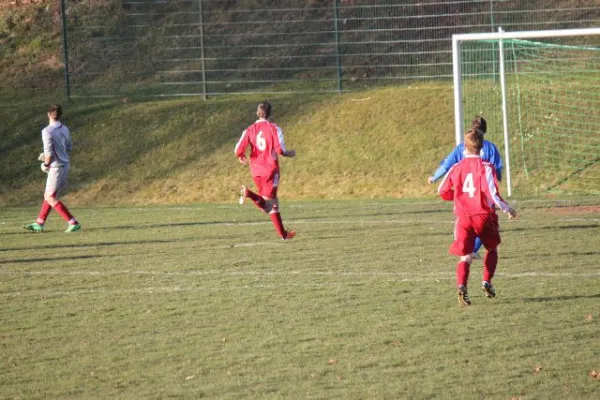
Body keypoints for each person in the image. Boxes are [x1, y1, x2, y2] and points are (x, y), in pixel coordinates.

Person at [437, 128, 516, 307]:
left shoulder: (457, 167)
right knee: (492, 249)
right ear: (482, 147)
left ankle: (461, 287)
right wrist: (507, 208)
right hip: (483, 216)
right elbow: (493, 193)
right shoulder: (486, 167)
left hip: (464, 217)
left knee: (465, 256)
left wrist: (458, 197)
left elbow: (442, 190)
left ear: (465, 146)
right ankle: (486, 282)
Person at [428, 116, 503, 258]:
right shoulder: (491, 147)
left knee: (466, 222)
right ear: (485, 130)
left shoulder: (462, 146)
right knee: (486, 223)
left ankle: (466, 249)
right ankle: (473, 250)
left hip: (464, 196)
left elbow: (447, 166)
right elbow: (497, 170)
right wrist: (497, 177)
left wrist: (434, 178)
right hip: (484, 194)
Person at [234, 101, 296, 240]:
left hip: (256, 171)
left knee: (273, 203)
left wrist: (240, 155)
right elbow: (281, 150)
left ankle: (284, 234)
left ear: (257, 113)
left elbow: (238, 149)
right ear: (269, 114)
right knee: (268, 206)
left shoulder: (249, 129)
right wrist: (290, 153)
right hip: (270, 171)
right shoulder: (274, 128)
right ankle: (249, 194)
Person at [24, 104, 81, 233]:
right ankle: (40, 223)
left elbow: (49, 155)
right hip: (65, 165)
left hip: (56, 167)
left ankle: (73, 222)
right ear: (60, 115)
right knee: (48, 195)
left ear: (48, 114)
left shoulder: (47, 131)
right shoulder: (65, 129)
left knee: (50, 197)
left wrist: (45, 164)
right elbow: (68, 147)